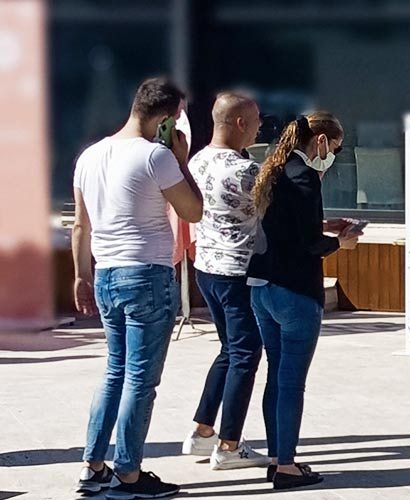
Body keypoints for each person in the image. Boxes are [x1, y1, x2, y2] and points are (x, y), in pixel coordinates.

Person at [71, 77, 201, 498]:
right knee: (140, 380)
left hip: (106, 272)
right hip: (146, 274)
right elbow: (193, 211)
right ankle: (128, 474)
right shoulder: (156, 157)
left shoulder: (90, 156)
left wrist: (81, 275)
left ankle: (93, 466)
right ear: (165, 119)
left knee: (115, 371)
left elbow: (80, 225)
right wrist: (181, 160)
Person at [247, 112, 358, 490]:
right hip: (295, 290)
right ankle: (287, 466)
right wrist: (340, 242)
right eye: (335, 149)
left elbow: (284, 226)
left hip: (261, 285)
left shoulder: (273, 170)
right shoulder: (306, 176)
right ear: (321, 141)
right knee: (292, 382)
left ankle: (277, 457)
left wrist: (326, 227)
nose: (333, 158)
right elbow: (309, 244)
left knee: (275, 375)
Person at [179, 92, 271, 471]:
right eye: (256, 120)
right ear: (240, 123)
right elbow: (279, 211)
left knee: (230, 350)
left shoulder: (197, 160)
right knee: (246, 354)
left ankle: (203, 431)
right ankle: (229, 445)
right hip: (236, 273)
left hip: (207, 268)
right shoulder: (246, 171)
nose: (260, 126)